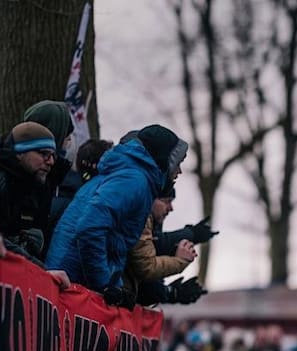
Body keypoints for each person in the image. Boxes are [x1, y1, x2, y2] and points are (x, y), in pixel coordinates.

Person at [45, 124, 187, 305]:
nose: (179, 171)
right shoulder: (134, 180)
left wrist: (116, 286)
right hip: (71, 282)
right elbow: (89, 228)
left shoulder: (132, 175)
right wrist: (104, 284)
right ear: (165, 159)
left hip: (72, 277)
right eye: (178, 163)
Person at [0, 122, 57, 261]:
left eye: (52, 155)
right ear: (20, 153)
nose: (50, 161)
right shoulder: (3, 182)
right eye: (44, 154)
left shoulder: (39, 186)